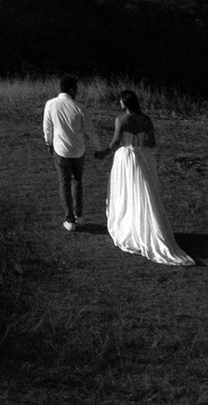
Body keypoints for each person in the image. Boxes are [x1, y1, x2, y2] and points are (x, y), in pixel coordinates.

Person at [104, 89, 194, 266]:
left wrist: (104, 152)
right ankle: (147, 226)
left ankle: (130, 226)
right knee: (145, 190)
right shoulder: (146, 119)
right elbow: (152, 142)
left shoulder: (122, 119)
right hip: (144, 157)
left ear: (125, 103)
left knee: (128, 190)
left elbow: (115, 142)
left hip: (127, 158)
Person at [41, 77, 92, 232]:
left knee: (64, 182)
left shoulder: (50, 104)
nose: (77, 92)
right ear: (71, 90)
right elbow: (89, 129)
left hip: (61, 150)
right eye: (76, 89)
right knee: (77, 180)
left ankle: (69, 219)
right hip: (78, 150)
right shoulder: (79, 107)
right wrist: (96, 147)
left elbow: (47, 127)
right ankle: (79, 215)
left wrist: (48, 143)